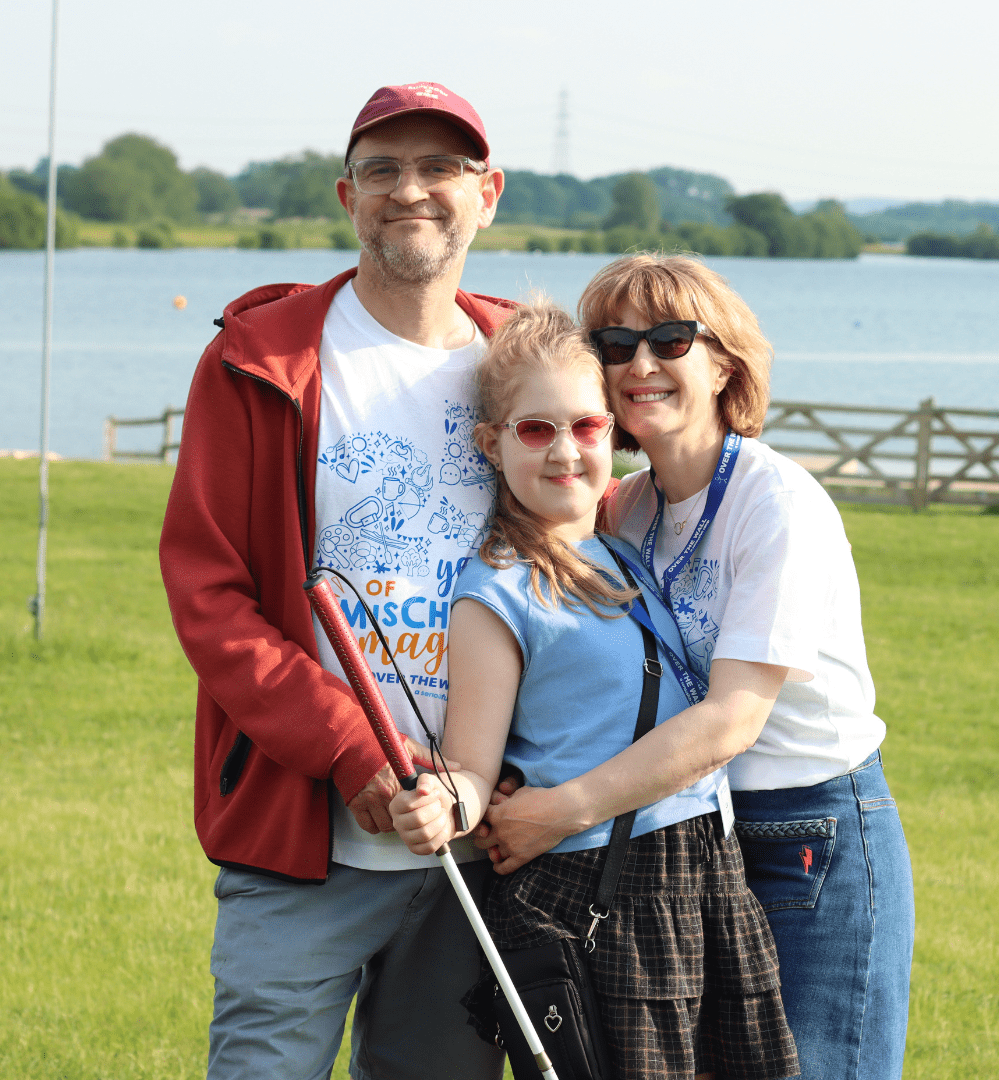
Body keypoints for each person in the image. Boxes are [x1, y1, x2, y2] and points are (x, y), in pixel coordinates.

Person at [478, 254, 915, 1080]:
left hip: (808, 829)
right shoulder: (625, 506)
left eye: (671, 339)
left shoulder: (775, 503)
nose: (640, 363)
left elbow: (730, 720)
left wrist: (559, 810)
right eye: (615, 343)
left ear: (724, 362)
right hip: (688, 839)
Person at [159, 82, 512, 1080]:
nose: (413, 190)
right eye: (384, 170)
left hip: (473, 844)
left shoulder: (529, 363)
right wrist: (350, 750)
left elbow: (572, 578)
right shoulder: (256, 357)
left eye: (440, 168)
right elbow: (208, 592)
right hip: (301, 830)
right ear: (346, 196)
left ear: (488, 193)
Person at [389, 302, 800, 1080]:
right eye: (536, 431)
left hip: (706, 871)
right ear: (493, 444)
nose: (566, 452)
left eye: (586, 426)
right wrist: (450, 804)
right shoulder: (497, 590)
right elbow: (474, 768)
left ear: (614, 431)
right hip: (603, 888)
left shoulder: (626, 548)